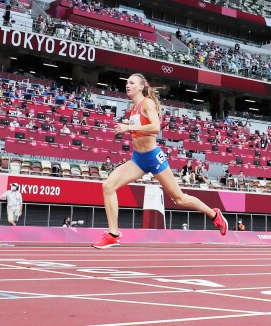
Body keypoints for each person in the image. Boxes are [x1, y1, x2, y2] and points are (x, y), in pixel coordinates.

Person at [93, 73, 228, 249]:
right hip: (138, 159)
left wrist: (128, 127)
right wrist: (129, 124)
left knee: (180, 199)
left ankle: (214, 214)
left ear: (141, 87)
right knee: (108, 186)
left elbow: (156, 127)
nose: (127, 85)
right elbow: (141, 127)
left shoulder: (146, 103)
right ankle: (113, 235)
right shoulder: (133, 107)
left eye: (131, 83)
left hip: (153, 157)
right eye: (126, 83)